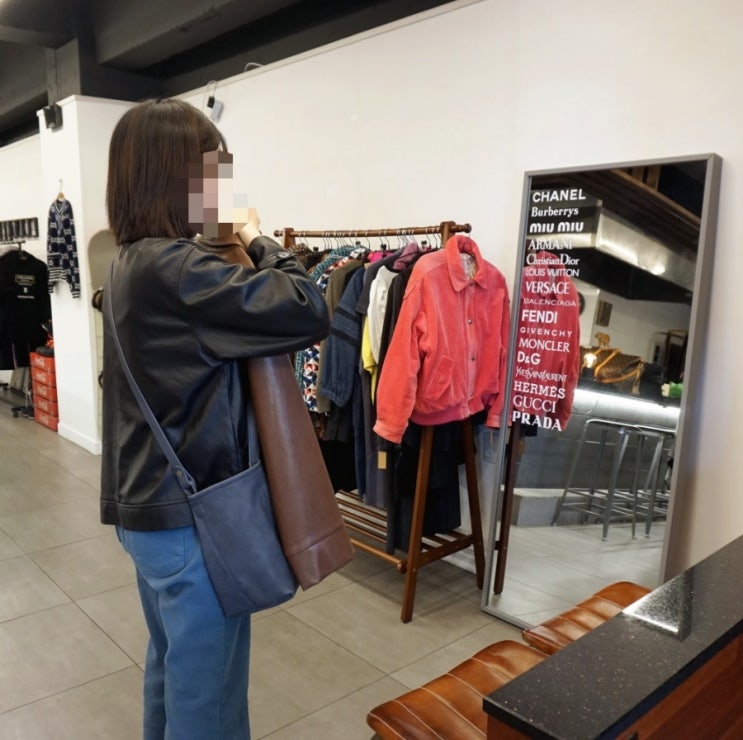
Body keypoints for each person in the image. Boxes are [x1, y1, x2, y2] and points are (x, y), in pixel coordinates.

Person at [100, 98, 330, 739]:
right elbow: (307, 308)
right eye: (213, 174)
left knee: (171, 671)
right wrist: (257, 236)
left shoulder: (130, 263)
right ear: (179, 177)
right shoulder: (179, 269)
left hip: (149, 510)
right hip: (195, 522)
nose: (222, 191)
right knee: (212, 701)